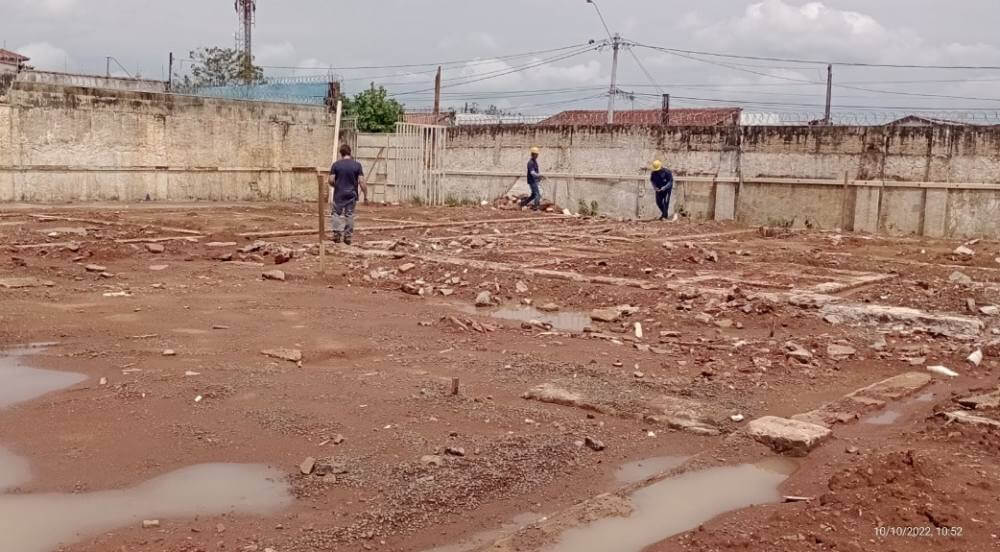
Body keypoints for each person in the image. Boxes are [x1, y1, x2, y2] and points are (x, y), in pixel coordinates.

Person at [329, 144, 366, 245]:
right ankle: (348, 237)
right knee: (349, 214)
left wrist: (336, 186)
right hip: (351, 194)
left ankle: (337, 235)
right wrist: (365, 195)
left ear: (341, 153)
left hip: (339, 194)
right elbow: (362, 182)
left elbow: (331, 180)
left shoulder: (336, 165)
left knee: (336, 213)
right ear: (350, 152)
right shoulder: (357, 165)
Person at [520, 146, 542, 211]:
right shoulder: (530, 163)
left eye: (537, 154)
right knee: (537, 194)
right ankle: (536, 207)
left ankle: (523, 203)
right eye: (536, 154)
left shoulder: (534, 161)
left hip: (534, 180)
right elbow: (532, 173)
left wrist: (538, 178)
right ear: (533, 154)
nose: (537, 155)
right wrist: (539, 176)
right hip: (532, 181)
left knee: (533, 195)